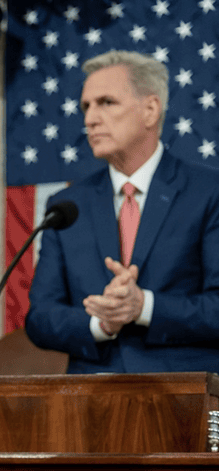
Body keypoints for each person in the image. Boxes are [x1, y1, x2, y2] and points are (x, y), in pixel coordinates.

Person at [25, 50, 219, 374]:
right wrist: (102, 323)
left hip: (184, 397)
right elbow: (40, 317)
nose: (90, 118)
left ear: (150, 109)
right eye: (86, 106)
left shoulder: (209, 191)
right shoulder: (66, 205)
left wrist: (144, 307)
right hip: (91, 401)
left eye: (106, 102)